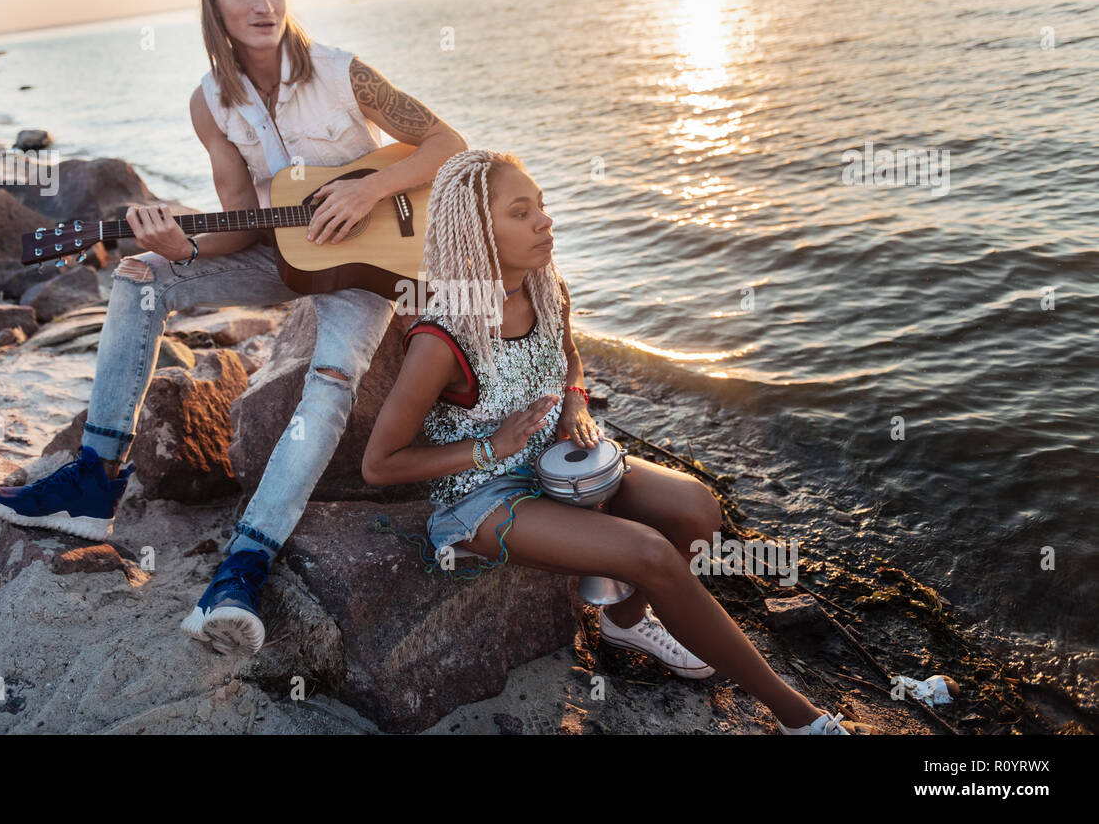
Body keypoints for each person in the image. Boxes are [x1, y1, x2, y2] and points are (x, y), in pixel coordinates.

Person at [0, 0, 467, 657]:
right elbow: (238, 223)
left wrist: (370, 189)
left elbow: (446, 145)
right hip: (279, 256)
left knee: (331, 384)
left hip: (367, 266)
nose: (264, 2)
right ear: (215, 4)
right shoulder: (211, 104)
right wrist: (184, 246)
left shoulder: (341, 72)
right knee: (140, 277)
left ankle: (244, 563)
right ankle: (91, 478)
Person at [361, 149, 875, 734]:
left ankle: (627, 621)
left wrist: (575, 401)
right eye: (522, 212)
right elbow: (380, 465)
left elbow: (568, 358)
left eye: (543, 207)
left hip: (559, 462)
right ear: (477, 231)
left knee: (698, 507)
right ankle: (799, 718)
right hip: (484, 495)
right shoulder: (441, 336)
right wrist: (492, 449)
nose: (545, 222)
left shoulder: (546, 287)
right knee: (651, 554)